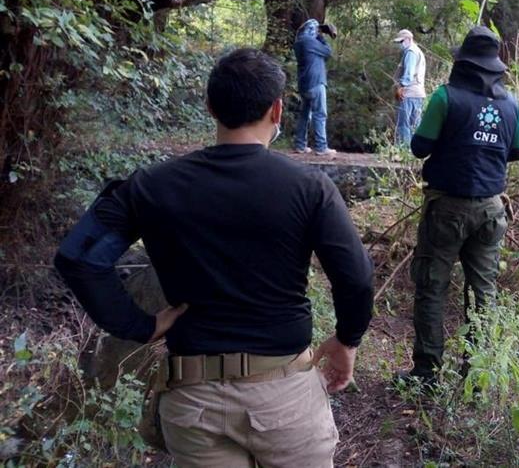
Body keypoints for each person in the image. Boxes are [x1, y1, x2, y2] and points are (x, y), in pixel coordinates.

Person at [54, 48, 373, 468]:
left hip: (193, 402)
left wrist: (138, 325)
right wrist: (346, 340)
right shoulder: (309, 188)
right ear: (277, 110)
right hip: (285, 397)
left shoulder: (152, 186)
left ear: (210, 107)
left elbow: (80, 257)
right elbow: (356, 277)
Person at [400, 26, 519, 384]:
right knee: (482, 293)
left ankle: (427, 375)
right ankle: (474, 378)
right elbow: (517, 151)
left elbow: (419, 147)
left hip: (446, 210)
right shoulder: (511, 104)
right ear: (495, 66)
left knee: (431, 288)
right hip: (491, 212)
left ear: (463, 63)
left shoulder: (446, 97)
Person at [294, 18, 337, 157]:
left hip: (304, 84)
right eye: (317, 29)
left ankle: (300, 145)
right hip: (316, 82)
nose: (318, 31)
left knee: (304, 115)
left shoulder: (299, 42)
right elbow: (328, 51)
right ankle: (321, 147)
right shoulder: (310, 41)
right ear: (312, 30)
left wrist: (319, 34)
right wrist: (321, 37)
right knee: (320, 114)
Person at [392, 28, 427, 146]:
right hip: (418, 94)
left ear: (409, 39)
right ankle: (414, 152)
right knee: (415, 125)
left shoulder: (410, 52)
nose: (400, 44)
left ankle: (403, 150)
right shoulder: (418, 51)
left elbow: (409, 74)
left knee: (404, 124)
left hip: (409, 93)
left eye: (401, 41)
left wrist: (401, 87)